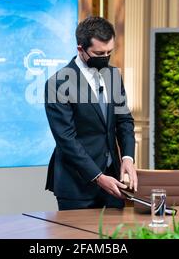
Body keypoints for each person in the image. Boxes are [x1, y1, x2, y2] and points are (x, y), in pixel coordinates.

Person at [44, 16, 138, 211]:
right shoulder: (58, 83)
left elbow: (124, 120)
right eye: (99, 53)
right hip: (76, 184)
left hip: (114, 182)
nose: (105, 57)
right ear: (80, 49)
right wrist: (98, 177)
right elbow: (66, 139)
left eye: (109, 52)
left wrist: (128, 157)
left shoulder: (113, 75)